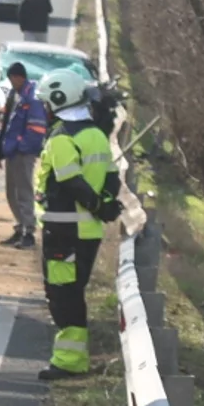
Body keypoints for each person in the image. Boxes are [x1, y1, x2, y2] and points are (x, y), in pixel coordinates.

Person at [34, 70, 123, 381]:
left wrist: (98, 204)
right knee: (73, 292)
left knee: (62, 295)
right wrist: (108, 203)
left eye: (46, 103)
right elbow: (111, 176)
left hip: (63, 231)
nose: (44, 110)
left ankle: (70, 361)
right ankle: (74, 358)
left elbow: (71, 181)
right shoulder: (96, 134)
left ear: (59, 100)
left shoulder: (62, 138)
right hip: (89, 232)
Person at [0, 62, 48, 249]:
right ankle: (20, 227)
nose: (11, 82)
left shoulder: (32, 98)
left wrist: (22, 147)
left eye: (12, 79)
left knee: (24, 192)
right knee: (12, 193)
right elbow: (6, 125)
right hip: (12, 152)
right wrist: (0, 152)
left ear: (19, 77)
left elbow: (37, 128)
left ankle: (29, 232)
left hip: (23, 153)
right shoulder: (14, 96)